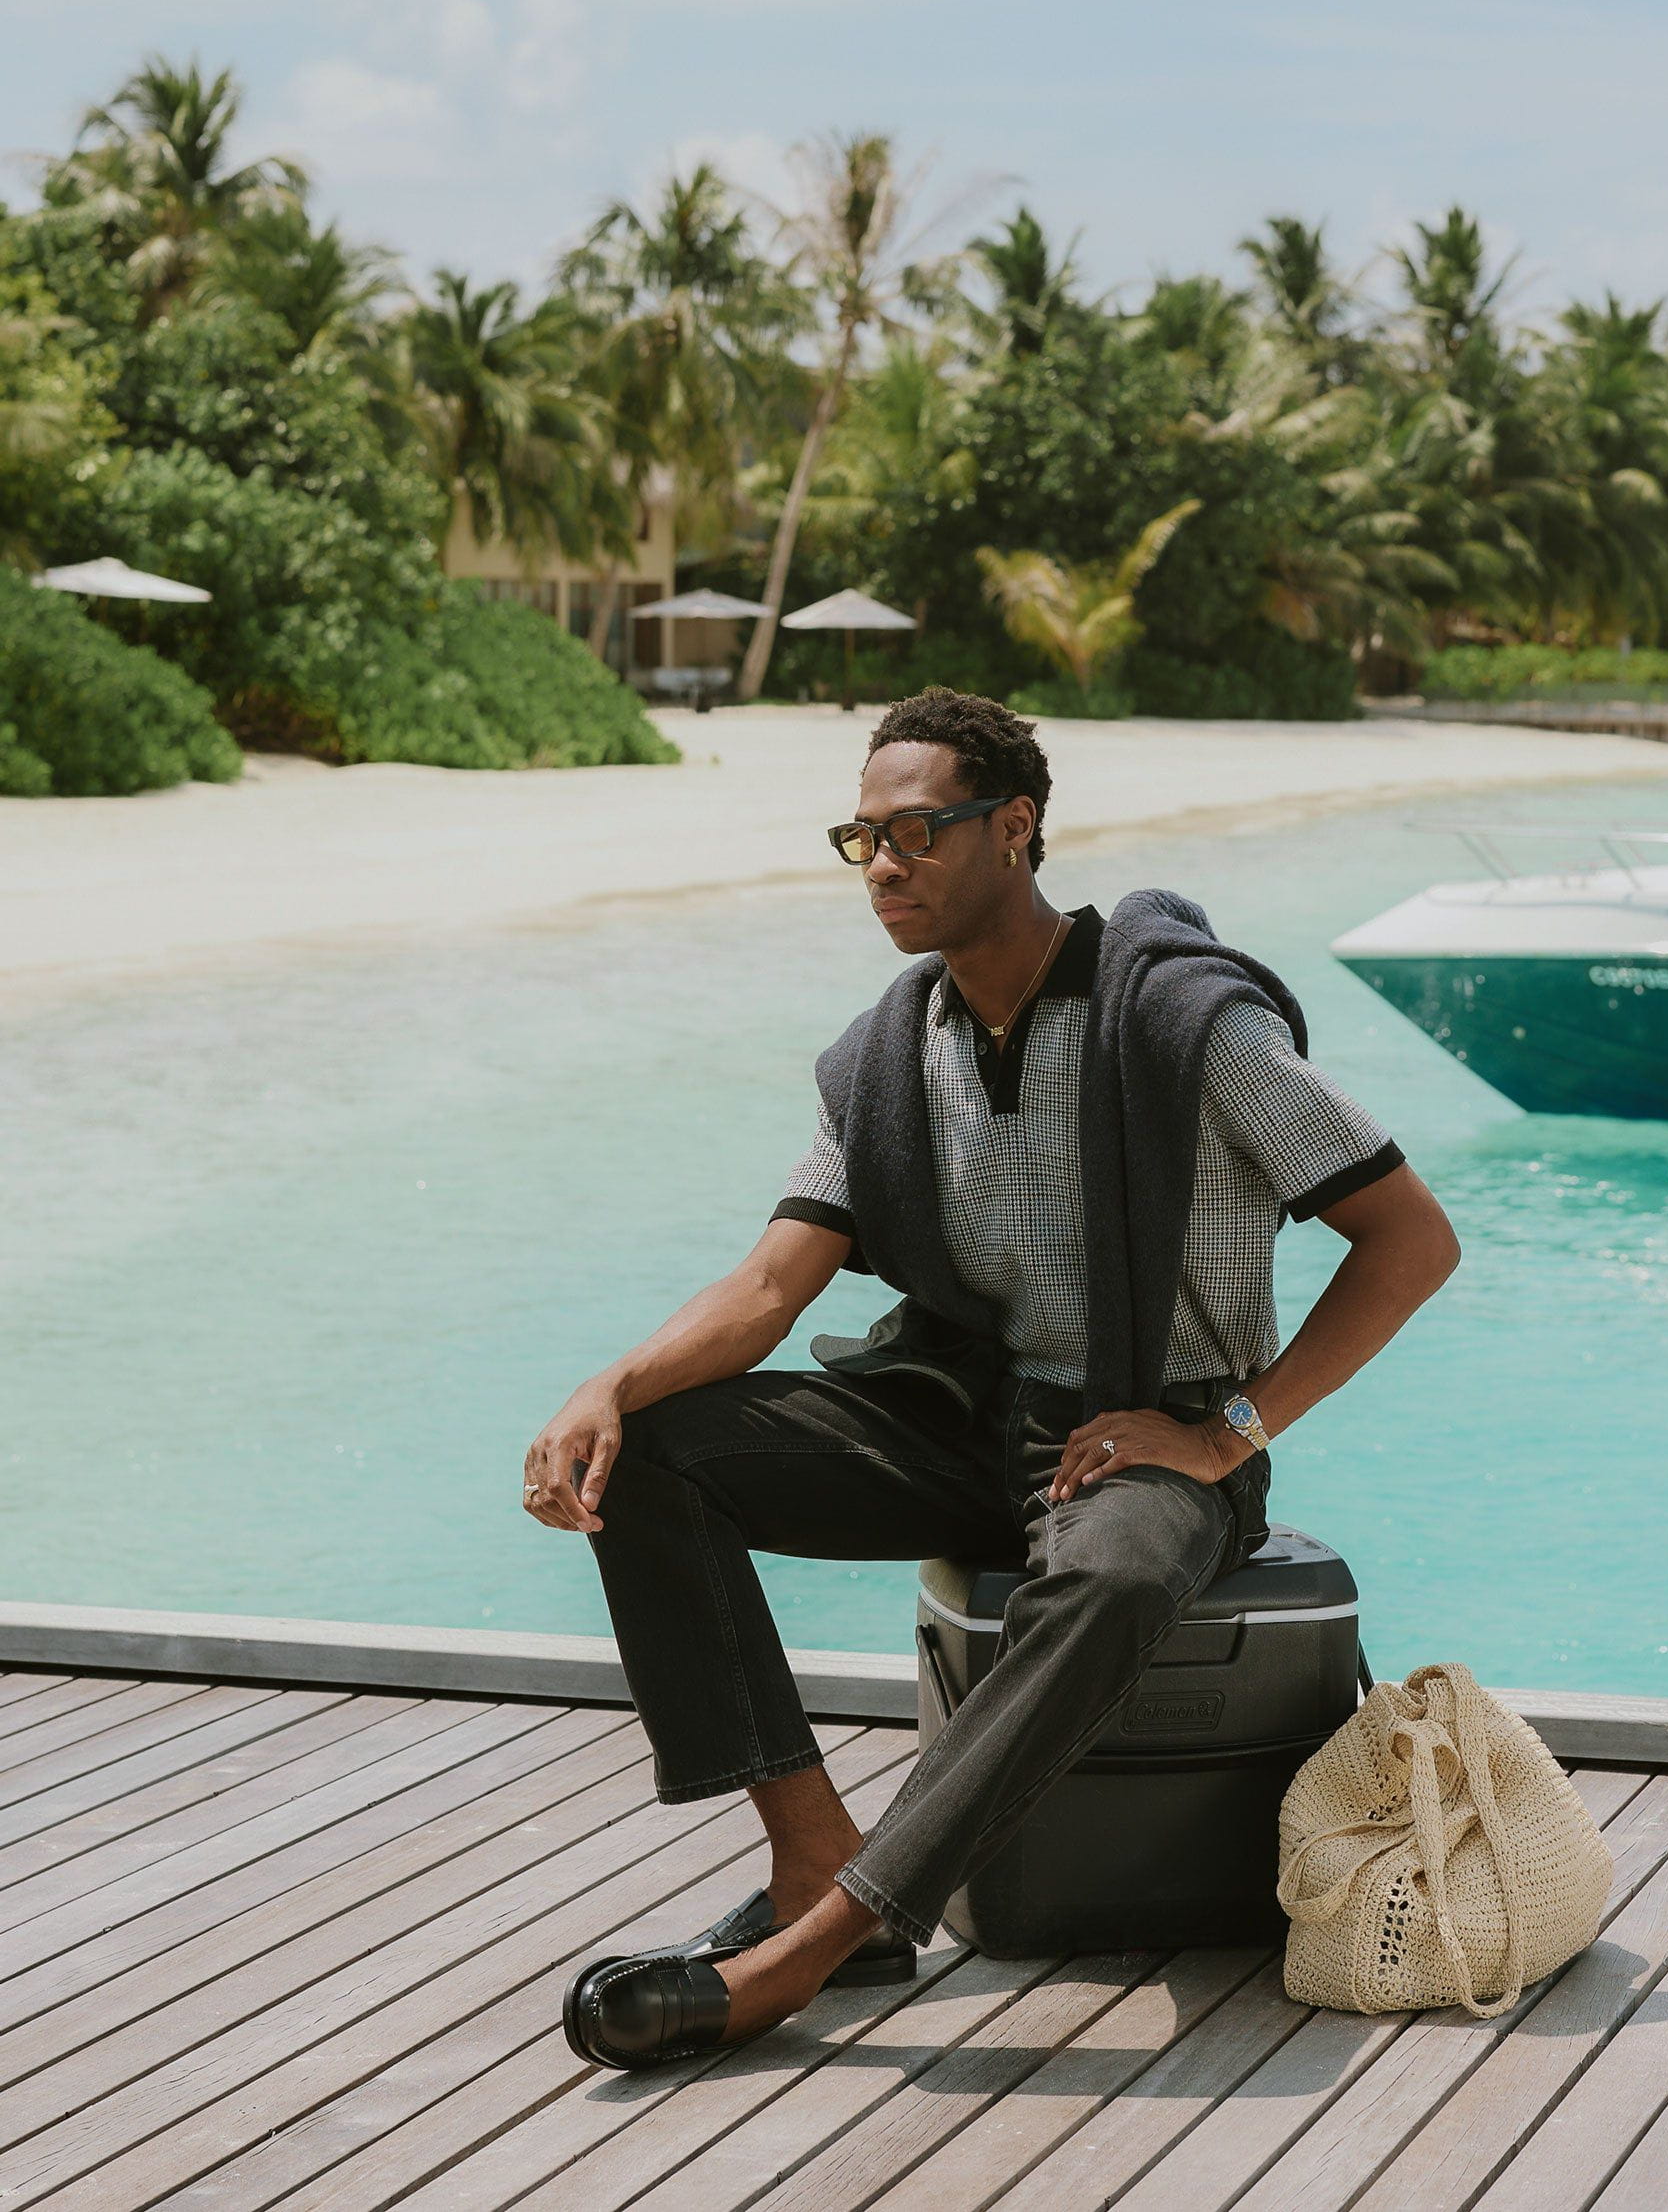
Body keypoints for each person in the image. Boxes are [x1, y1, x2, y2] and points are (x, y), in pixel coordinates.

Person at [525, 686, 1459, 2069]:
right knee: (651, 1452)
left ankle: (811, 1950)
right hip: (960, 1419)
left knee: (1121, 1574)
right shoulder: (893, 1054)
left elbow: (1410, 1239)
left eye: (918, 831)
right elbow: (771, 1287)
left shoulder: (1190, 1028)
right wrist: (609, 1383)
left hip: (1153, 1434)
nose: (887, 865)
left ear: (1012, 827)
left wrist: (1227, 1435)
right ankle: (812, 1860)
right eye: (864, 839)